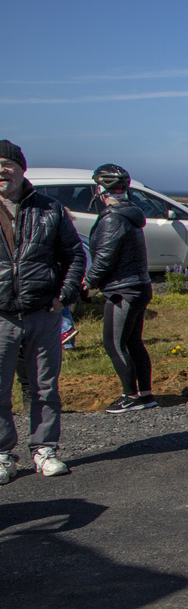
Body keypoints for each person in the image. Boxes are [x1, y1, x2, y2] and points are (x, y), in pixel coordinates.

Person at [0, 139, 86, 482]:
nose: (2, 171)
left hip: (42, 312)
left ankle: (45, 448)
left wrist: (64, 295)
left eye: (7, 164)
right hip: (1, 315)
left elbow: (75, 255)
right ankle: (3, 453)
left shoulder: (48, 208)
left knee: (45, 386)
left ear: (22, 169)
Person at [83, 163, 156, 414]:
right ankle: (145, 394)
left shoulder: (112, 218)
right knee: (133, 341)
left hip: (122, 289)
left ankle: (131, 396)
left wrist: (88, 281)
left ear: (100, 190)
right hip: (138, 285)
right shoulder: (130, 213)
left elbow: (105, 256)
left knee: (114, 343)